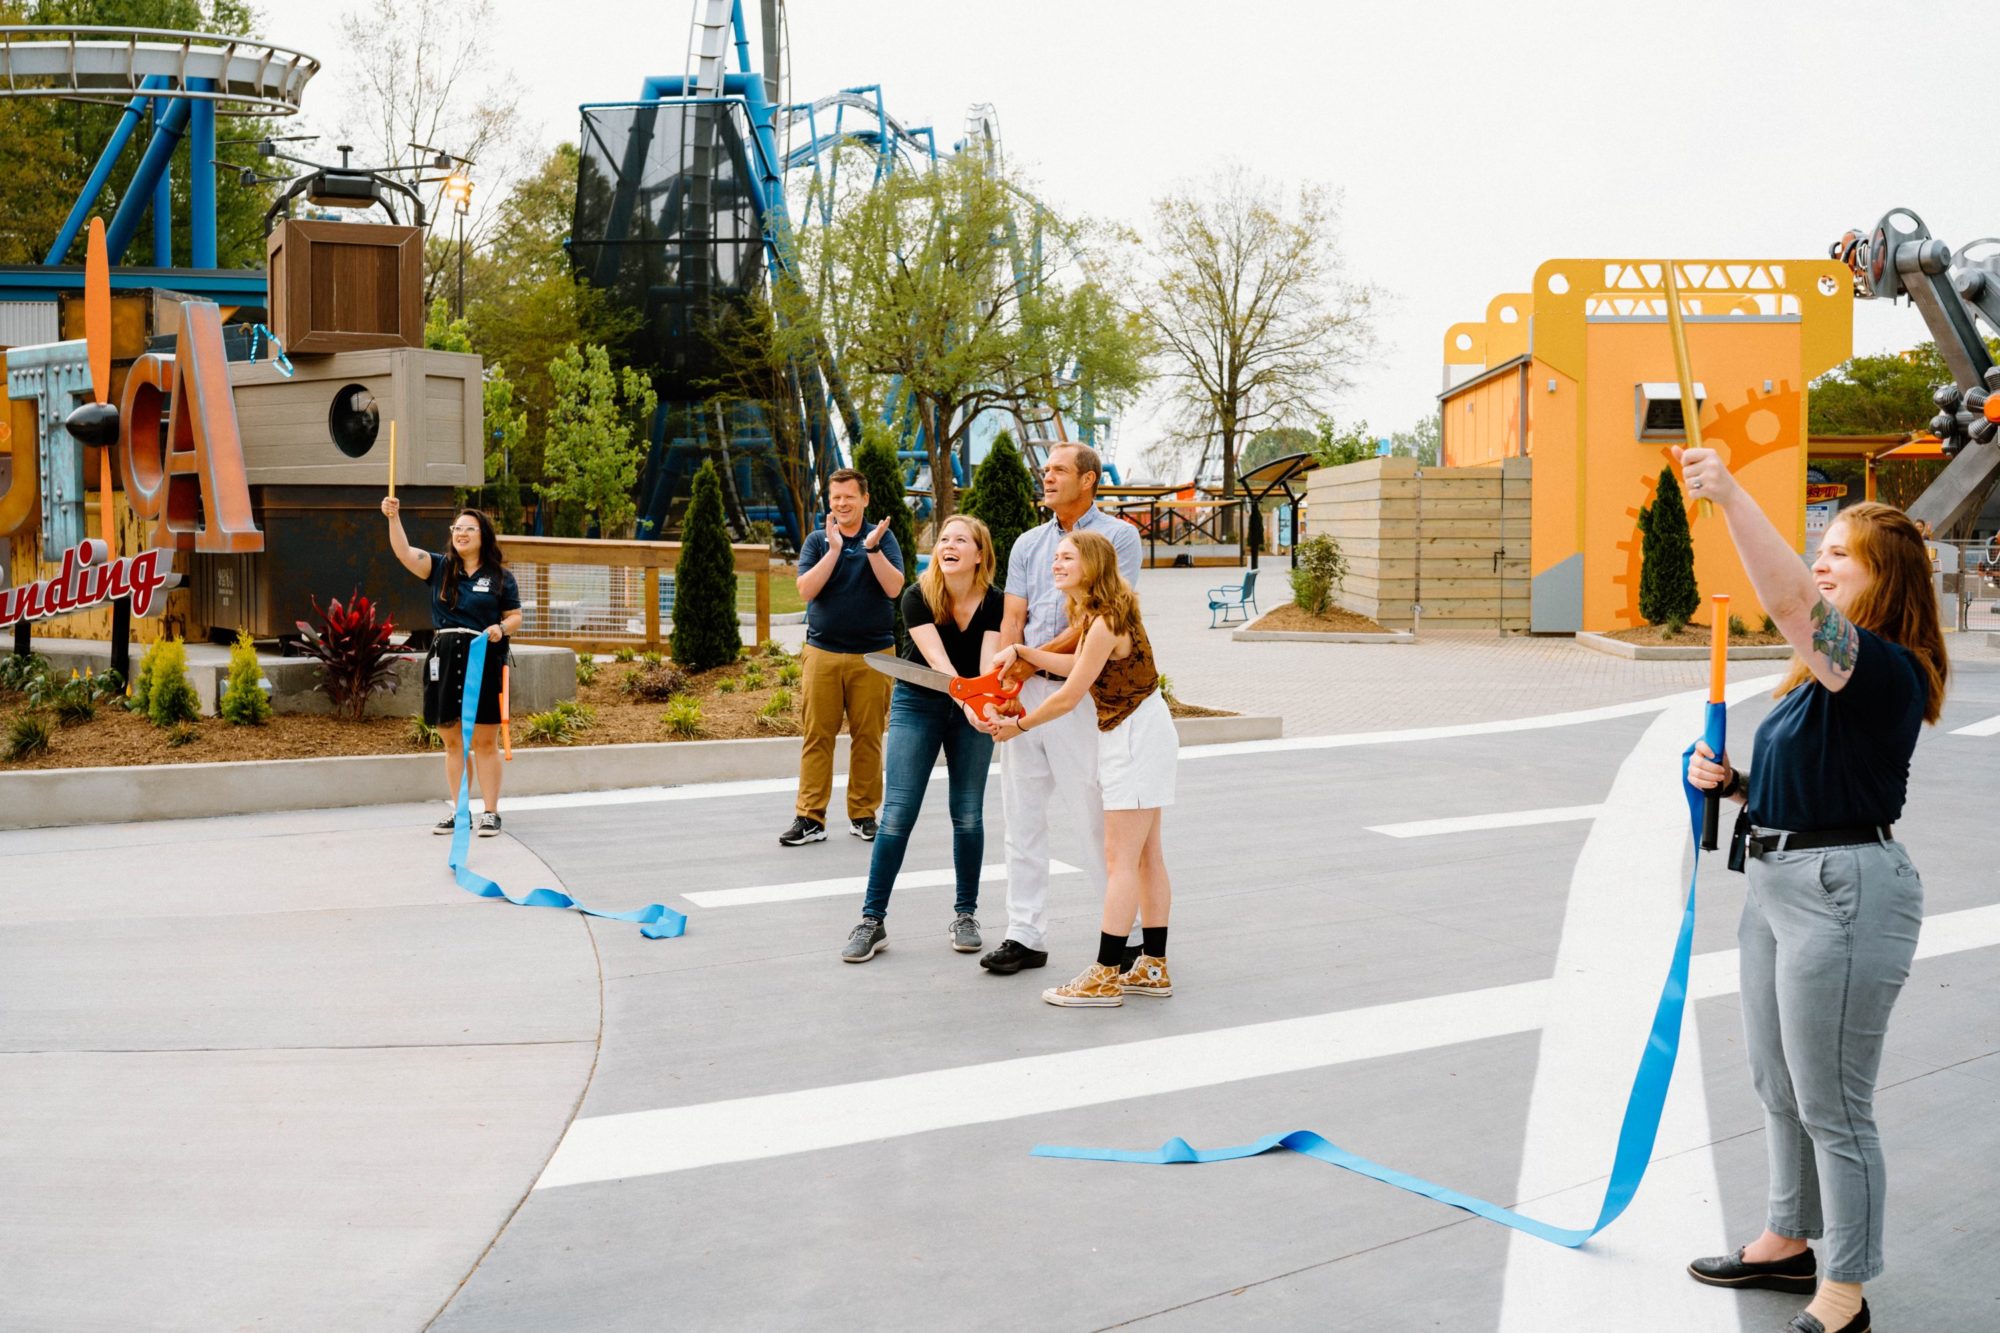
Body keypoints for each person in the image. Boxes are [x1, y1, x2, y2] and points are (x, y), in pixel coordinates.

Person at [1679, 447, 1946, 1333]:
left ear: (1883, 583)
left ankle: (1848, 1284)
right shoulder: (1817, 684)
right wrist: (1734, 783)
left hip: (1846, 891)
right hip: (1779, 883)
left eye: (1839, 552)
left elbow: (1789, 600)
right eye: (1819, 546)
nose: (1821, 561)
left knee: (1833, 1099)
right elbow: (1813, 782)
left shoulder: (1884, 669)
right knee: (1777, 1081)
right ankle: (1787, 1239)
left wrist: (1731, 495)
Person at [988, 529, 1177, 1006]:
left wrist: (1020, 726)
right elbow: (1076, 666)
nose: (1056, 564)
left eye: (1067, 558)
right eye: (1055, 557)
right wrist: (1026, 653)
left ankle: (1106, 973)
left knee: (1121, 860)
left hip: (1132, 735)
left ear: (1091, 564)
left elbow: (1070, 692)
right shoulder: (1105, 613)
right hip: (1141, 729)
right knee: (1146, 856)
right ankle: (1153, 966)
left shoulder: (1104, 621)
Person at [978, 442, 1144, 976]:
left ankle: (1129, 937)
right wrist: (1006, 678)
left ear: (1089, 479)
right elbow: (1013, 616)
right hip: (1024, 688)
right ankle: (1024, 935)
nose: (1047, 478)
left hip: (1078, 695)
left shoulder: (1118, 537)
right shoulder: (1029, 542)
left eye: (1059, 470)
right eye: (1045, 470)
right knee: (1021, 818)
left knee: (1094, 816)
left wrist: (1034, 659)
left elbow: (1103, 615)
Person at [840, 515, 1007, 963]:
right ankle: (872, 921)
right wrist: (970, 699)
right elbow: (938, 663)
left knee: (968, 814)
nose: (948, 545)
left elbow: (989, 666)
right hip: (919, 702)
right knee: (896, 815)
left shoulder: (996, 601)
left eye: (960, 540)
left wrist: (985, 705)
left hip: (972, 704)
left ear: (979, 554)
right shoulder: (918, 596)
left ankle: (966, 915)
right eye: (943, 539)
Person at [382, 500, 522, 837]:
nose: (461, 533)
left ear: (483, 535)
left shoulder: (500, 577)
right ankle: (461, 811)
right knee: (452, 740)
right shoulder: (440, 567)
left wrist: (501, 629)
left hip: (483, 659)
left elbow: (514, 616)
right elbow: (403, 552)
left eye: (469, 528)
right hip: (443, 659)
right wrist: (394, 516)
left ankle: (490, 812)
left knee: (485, 740)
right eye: (457, 528)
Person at [785, 467, 905, 846]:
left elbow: (894, 588)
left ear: (864, 499)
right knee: (817, 736)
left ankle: (864, 814)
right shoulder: (818, 541)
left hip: (873, 655)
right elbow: (806, 589)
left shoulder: (882, 539)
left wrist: (870, 549)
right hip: (822, 652)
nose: (841, 504)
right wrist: (835, 551)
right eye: (835, 498)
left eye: (848, 497)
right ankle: (810, 818)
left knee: (868, 737)